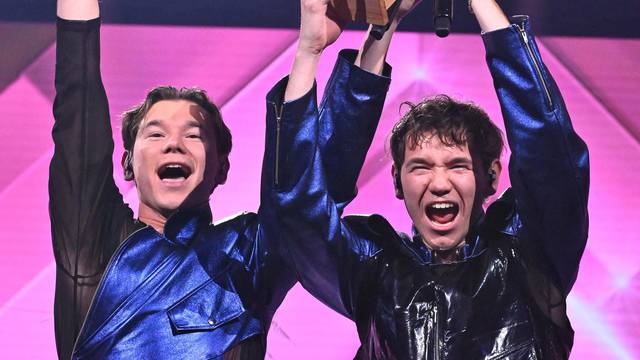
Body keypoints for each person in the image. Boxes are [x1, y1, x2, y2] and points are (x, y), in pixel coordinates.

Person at [49, 0, 424, 358]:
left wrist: (366, 32)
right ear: (128, 164)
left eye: (193, 135)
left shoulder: (245, 255)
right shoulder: (93, 242)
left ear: (221, 168)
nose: (174, 145)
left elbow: (310, 189)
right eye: (156, 134)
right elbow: (77, 108)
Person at [272, 0, 590, 358]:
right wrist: (328, 43)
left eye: (457, 166)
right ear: (396, 180)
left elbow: (551, 158)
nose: (439, 183)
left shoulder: (530, 253)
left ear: (491, 177)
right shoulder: (376, 269)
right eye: (420, 167)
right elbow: (299, 212)